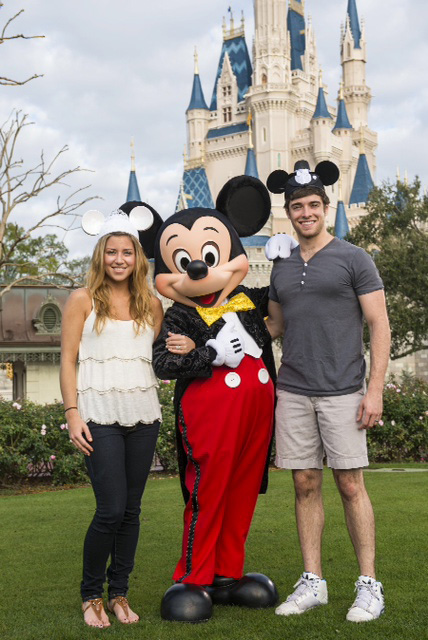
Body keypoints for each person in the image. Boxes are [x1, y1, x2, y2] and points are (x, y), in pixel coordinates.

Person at [265, 161, 391, 623]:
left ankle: (368, 585)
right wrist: (216, 331)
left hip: (342, 390)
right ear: (289, 212)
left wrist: (372, 390)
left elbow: (379, 324)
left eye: (313, 205)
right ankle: (313, 581)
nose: (305, 213)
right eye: (297, 206)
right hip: (293, 390)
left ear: (326, 207)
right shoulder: (280, 265)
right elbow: (274, 327)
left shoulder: (354, 258)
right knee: (303, 483)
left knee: (351, 484)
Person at [60, 208, 164, 628]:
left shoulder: (152, 304)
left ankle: (119, 593)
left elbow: (153, 356)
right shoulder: (82, 299)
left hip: (143, 415)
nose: (119, 260)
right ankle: (91, 596)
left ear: (138, 257)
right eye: (111, 252)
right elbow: (68, 361)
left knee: (132, 511)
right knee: (110, 509)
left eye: (127, 252)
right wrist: (72, 413)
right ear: (100, 255)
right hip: (97, 415)